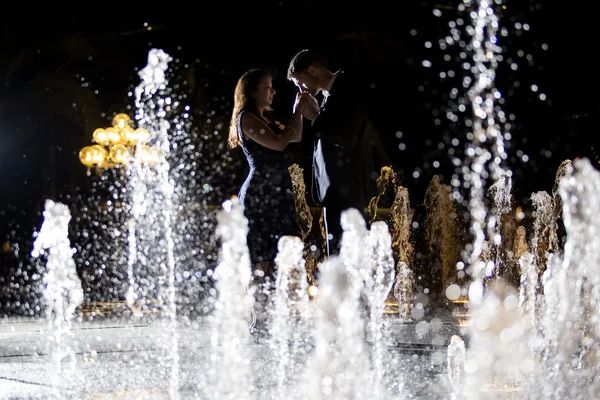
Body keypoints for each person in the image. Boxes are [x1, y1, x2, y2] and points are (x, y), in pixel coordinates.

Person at [228, 68, 311, 336]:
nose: (273, 92)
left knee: (279, 257)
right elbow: (278, 144)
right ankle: (258, 321)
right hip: (260, 194)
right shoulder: (246, 119)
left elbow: (294, 136)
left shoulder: (265, 118)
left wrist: (298, 111)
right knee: (260, 259)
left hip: (277, 192)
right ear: (251, 91)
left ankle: (273, 317)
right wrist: (296, 113)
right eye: (267, 87)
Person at [287, 49, 375, 256]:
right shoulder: (331, 95)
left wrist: (316, 118)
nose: (301, 90)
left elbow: (345, 136)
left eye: (299, 83)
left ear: (312, 70)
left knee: (348, 254)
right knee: (336, 254)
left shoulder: (348, 88)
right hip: (336, 190)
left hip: (348, 188)